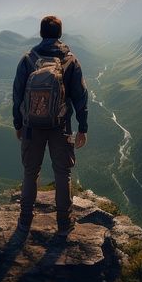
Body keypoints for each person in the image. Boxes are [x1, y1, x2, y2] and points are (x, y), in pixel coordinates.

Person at [12, 15, 88, 234]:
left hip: (31, 126)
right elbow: (81, 97)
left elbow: (17, 96)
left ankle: (25, 220)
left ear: (41, 33)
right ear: (60, 34)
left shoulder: (27, 60)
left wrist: (18, 123)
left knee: (30, 173)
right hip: (60, 125)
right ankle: (64, 222)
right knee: (62, 173)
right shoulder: (70, 61)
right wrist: (83, 127)